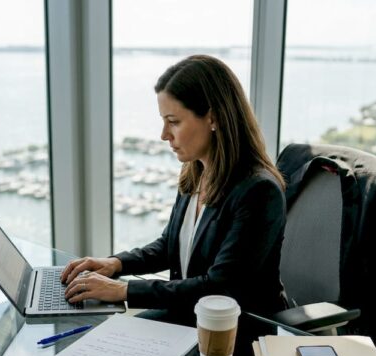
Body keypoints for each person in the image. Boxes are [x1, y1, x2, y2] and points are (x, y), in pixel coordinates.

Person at [60, 54, 288, 340]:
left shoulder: (258, 191)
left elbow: (220, 287)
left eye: (173, 121)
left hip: (233, 336)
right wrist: (116, 264)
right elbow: (169, 245)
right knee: (96, 347)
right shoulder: (195, 172)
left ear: (213, 118)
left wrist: (125, 290)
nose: (163, 134)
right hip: (186, 316)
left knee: (108, 348)